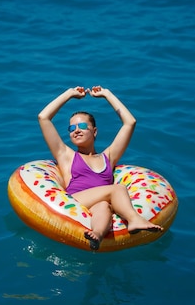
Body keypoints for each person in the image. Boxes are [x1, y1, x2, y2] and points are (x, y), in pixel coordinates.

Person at [38, 86, 163, 250]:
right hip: (76, 200)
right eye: (71, 128)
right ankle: (134, 219)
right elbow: (43, 117)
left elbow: (130, 122)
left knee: (104, 205)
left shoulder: (108, 157)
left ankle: (96, 234)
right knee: (116, 189)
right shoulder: (66, 155)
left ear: (94, 131)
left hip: (99, 202)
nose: (76, 131)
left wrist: (107, 94)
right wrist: (69, 94)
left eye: (82, 126)